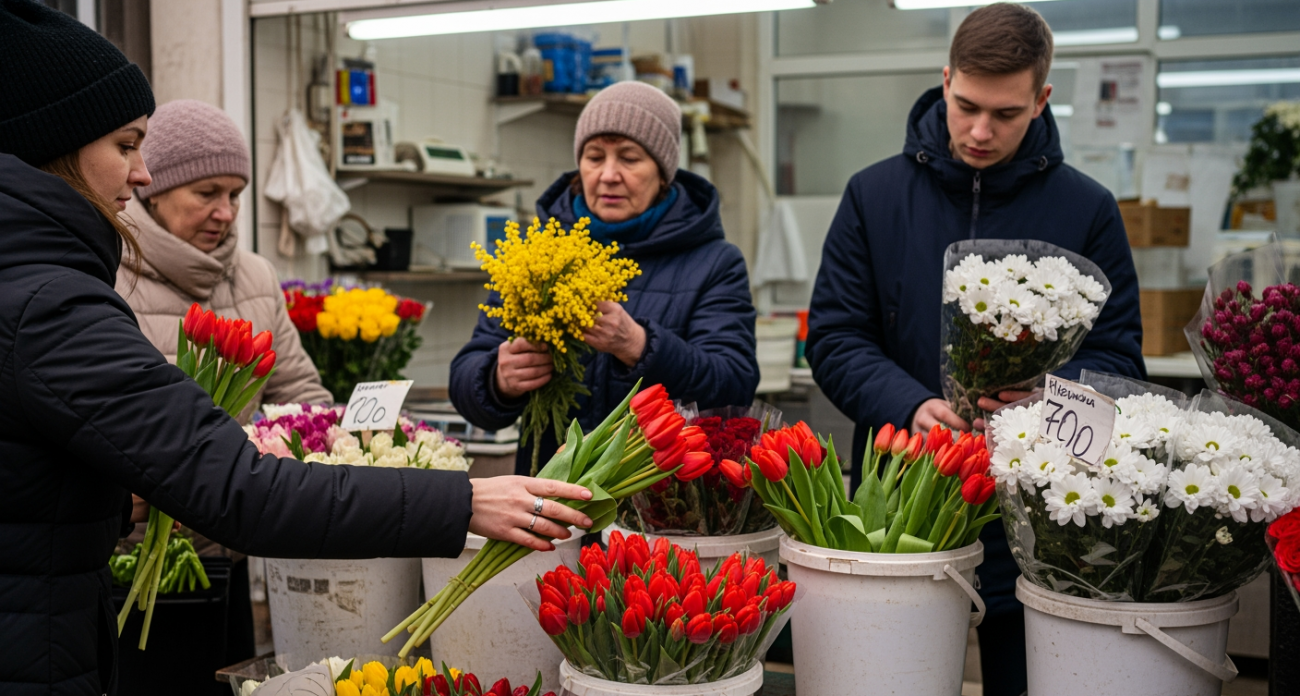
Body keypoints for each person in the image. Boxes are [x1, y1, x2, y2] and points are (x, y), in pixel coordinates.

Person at [0, 3, 592, 693]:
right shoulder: (53, 304)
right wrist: (463, 503)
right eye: (127, 146)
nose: (141, 173)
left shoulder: (32, 284)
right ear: (56, 146)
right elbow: (240, 490)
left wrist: (110, 492)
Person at [804, 5, 1144, 696]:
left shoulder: (1088, 208)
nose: (981, 131)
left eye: (1007, 114)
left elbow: (1117, 360)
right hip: (900, 497)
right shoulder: (874, 195)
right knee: (889, 679)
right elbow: (836, 337)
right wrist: (911, 404)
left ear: (1042, 100)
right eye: (966, 106)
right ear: (945, 79)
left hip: (1040, 508)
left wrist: (1047, 399)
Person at [451, 81, 760, 475]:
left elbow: (733, 386)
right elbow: (466, 384)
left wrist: (639, 345)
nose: (608, 175)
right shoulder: (539, 257)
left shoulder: (714, 263)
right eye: (595, 157)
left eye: (629, 158)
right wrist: (497, 380)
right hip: (551, 500)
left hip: (660, 502)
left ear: (663, 173)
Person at [116, 99, 333, 418]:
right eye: (207, 193)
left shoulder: (257, 276)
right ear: (153, 192)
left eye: (234, 195)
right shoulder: (110, 277)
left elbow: (298, 392)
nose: (226, 213)